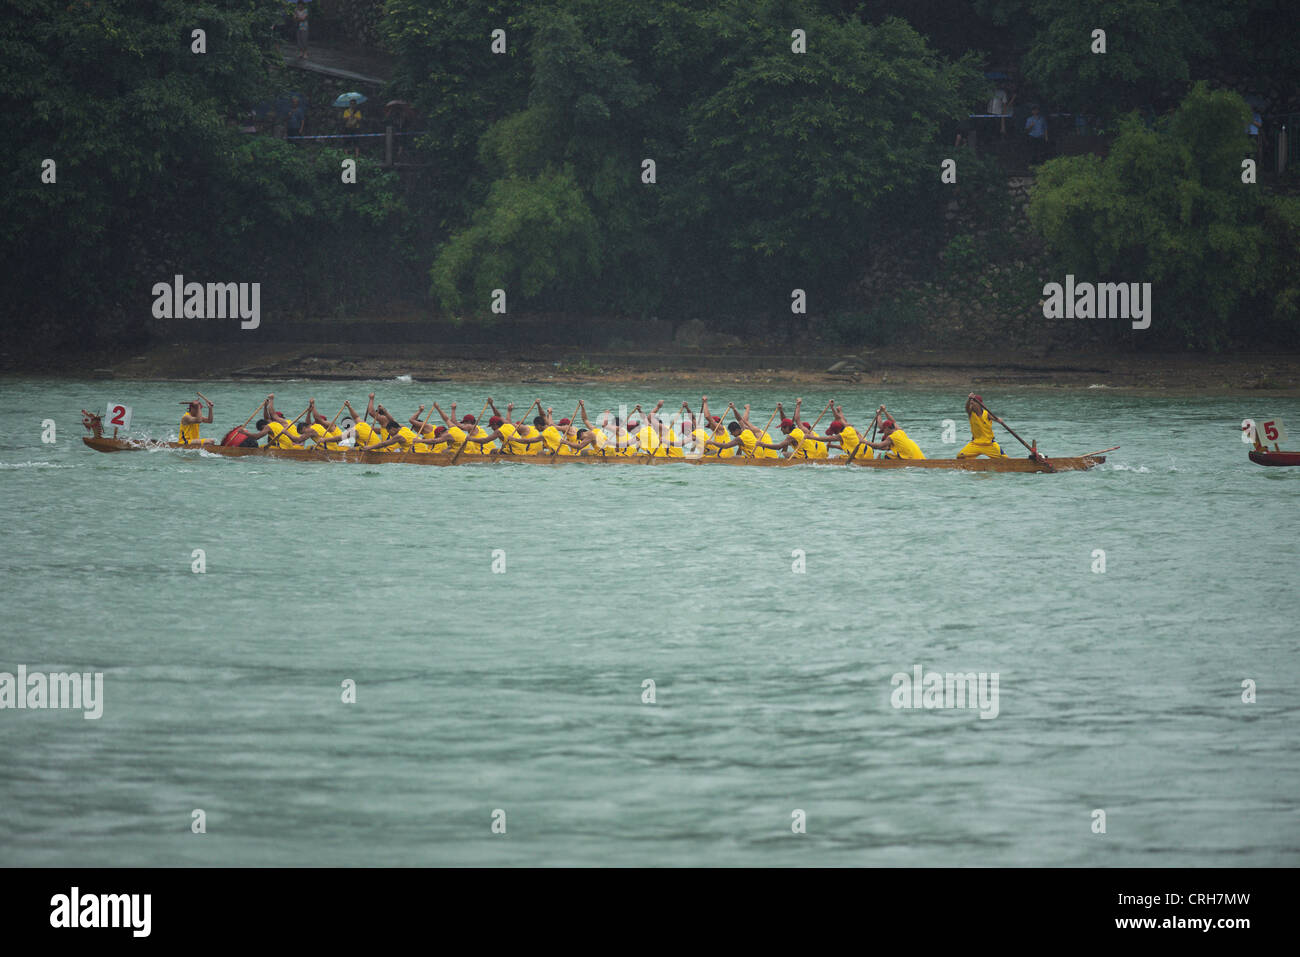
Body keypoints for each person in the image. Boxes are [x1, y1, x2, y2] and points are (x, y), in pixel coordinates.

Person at [861, 407, 926, 459]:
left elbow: (879, 446)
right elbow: (893, 422)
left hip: (908, 459)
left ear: (887, 428)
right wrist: (882, 413)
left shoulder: (891, 437)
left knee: (882, 456)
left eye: (883, 431)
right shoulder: (900, 431)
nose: (884, 433)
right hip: (918, 457)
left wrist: (864, 442)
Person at [958, 394, 1006, 459]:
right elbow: (967, 407)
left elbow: (996, 419)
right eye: (971, 404)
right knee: (960, 456)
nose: (971, 405)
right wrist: (969, 399)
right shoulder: (971, 413)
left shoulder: (987, 414)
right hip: (975, 444)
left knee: (1004, 458)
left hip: (989, 444)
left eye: (973, 403)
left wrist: (999, 420)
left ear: (979, 404)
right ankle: (973, 467)